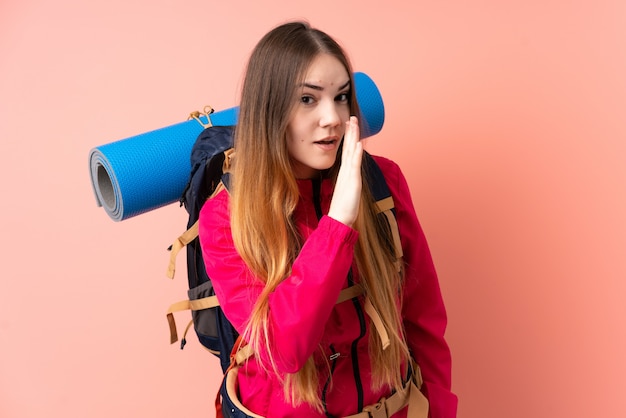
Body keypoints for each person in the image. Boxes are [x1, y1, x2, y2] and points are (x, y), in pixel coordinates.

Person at [198, 21, 458, 418]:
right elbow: (285, 350)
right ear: (270, 110)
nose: (333, 118)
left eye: (341, 98)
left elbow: (423, 319)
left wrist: (439, 411)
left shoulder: (383, 182)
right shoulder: (225, 217)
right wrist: (338, 222)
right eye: (308, 99)